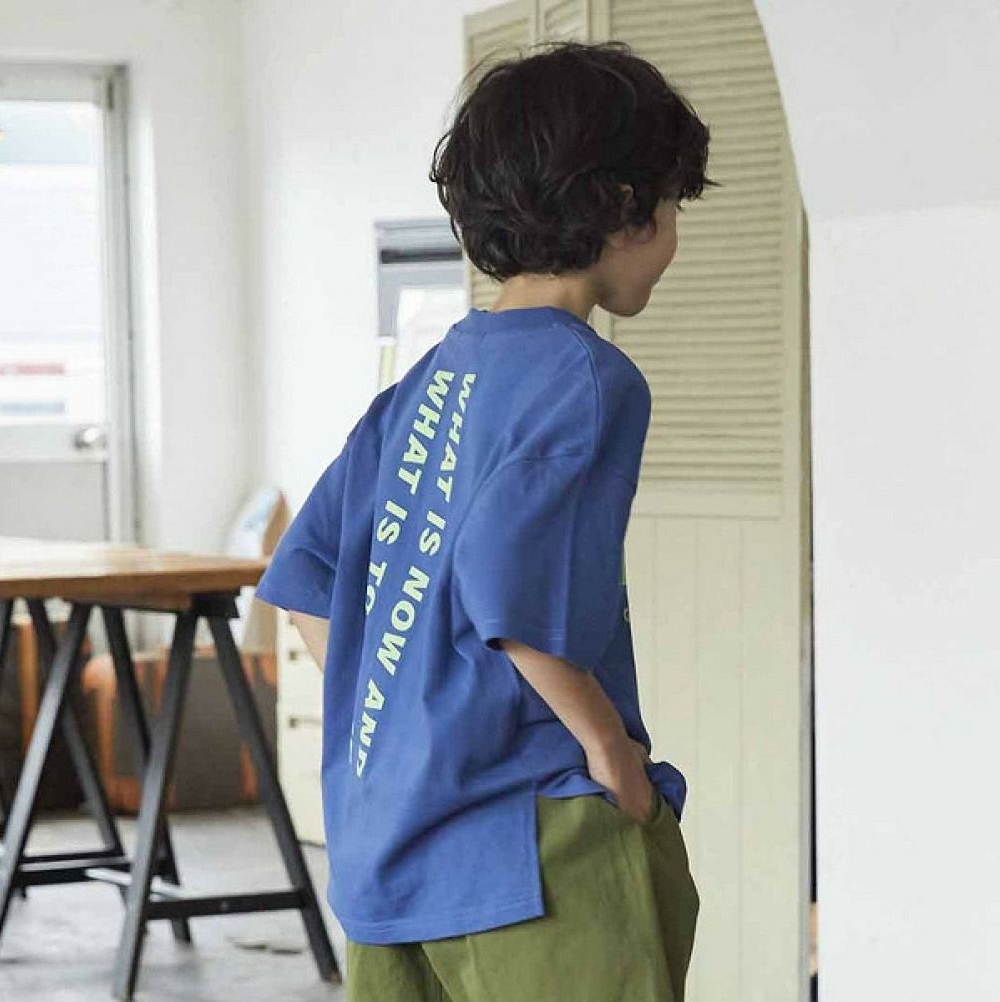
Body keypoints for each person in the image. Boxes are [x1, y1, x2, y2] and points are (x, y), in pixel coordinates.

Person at [255, 38, 715, 1002]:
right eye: (673, 206)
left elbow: (305, 581)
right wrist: (612, 756)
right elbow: (511, 595)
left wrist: (408, 724)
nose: (674, 235)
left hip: (388, 845)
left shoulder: (423, 385)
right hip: (532, 845)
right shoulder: (588, 379)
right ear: (625, 207)